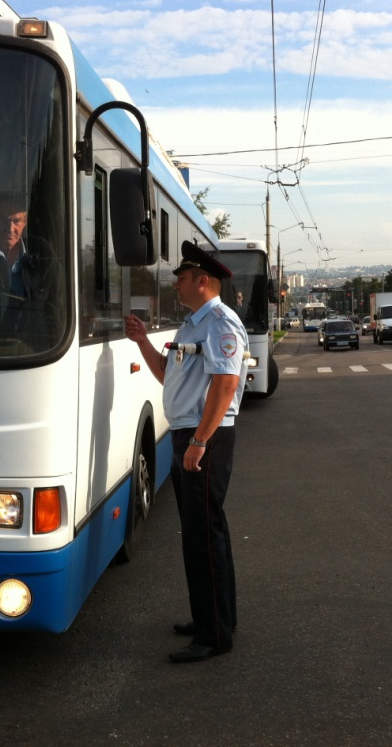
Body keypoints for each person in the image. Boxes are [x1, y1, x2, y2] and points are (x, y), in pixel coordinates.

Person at [123, 241, 248, 664]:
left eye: (181, 278)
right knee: (203, 531)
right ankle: (214, 617)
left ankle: (214, 635)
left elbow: (226, 385)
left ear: (203, 280)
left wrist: (198, 441)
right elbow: (168, 377)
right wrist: (142, 342)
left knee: (203, 535)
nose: (175, 284)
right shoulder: (192, 324)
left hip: (203, 437)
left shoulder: (219, 322)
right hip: (189, 435)